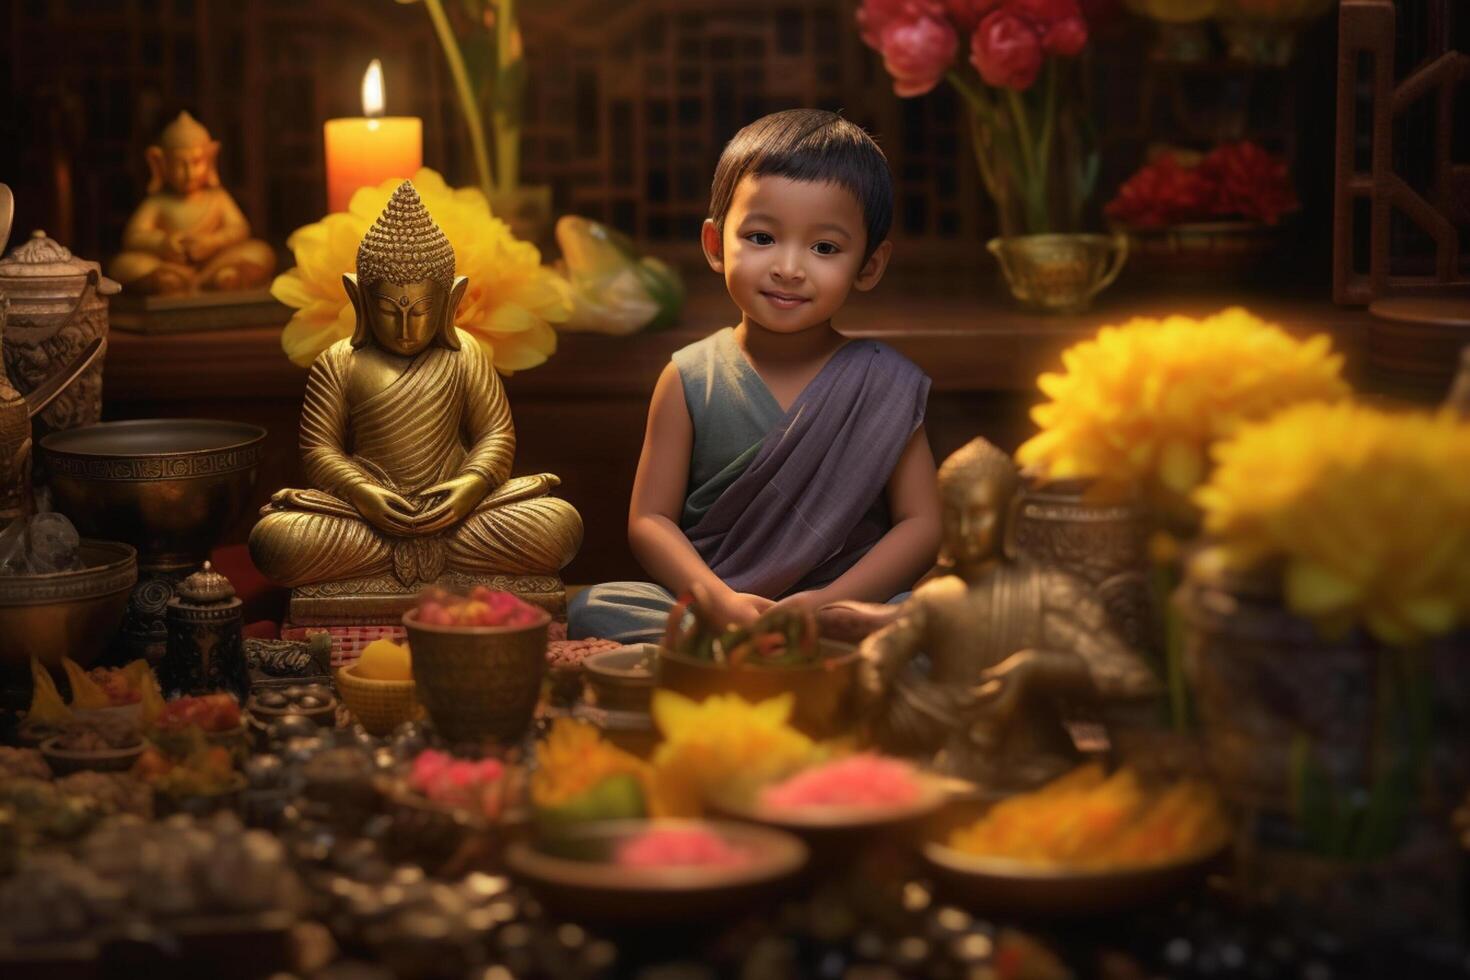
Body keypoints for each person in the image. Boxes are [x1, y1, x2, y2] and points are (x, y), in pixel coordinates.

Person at [570, 109, 940, 643]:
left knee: (926, 618)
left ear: (869, 266)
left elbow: (921, 524)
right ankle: (746, 643)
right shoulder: (689, 378)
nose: (789, 267)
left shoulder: (884, 386)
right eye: (762, 237)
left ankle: (752, 652)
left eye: (825, 248)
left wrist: (825, 604)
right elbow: (650, 519)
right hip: (719, 603)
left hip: (842, 609)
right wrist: (717, 600)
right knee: (597, 607)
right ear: (716, 245)